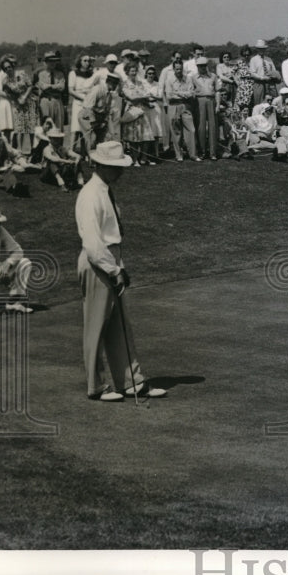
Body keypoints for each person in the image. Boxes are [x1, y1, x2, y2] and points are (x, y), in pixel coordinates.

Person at [75, 141, 167, 401]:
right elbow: (92, 243)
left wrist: (119, 267)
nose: (121, 171)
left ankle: (131, 382)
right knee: (97, 325)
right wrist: (113, 270)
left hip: (111, 259)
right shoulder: (90, 194)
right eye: (116, 167)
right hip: (97, 262)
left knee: (119, 325)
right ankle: (96, 386)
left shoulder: (104, 190)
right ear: (102, 165)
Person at [162, 59, 200, 162]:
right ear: (174, 69)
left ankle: (193, 154)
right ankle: (178, 155)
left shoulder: (188, 79)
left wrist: (178, 93)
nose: (179, 71)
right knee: (176, 131)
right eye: (177, 69)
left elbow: (192, 93)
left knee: (191, 129)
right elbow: (169, 96)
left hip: (186, 106)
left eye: (180, 69)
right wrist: (184, 94)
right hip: (173, 107)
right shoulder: (169, 80)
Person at [119, 62, 155, 166]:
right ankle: (135, 160)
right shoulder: (125, 84)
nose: (134, 73)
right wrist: (143, 97)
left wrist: (147, 102)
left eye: (135, 71)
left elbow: (144, 97)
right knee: (133, 138)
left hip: (141, 110)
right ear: (127, 72)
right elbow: (131, 98)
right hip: (132, 111)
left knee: (146, 136)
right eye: (132, 71)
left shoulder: (140, 83)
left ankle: (143, 158)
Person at [78, 72, 122, 152]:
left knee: (102, 138)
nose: (115, 86)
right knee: (92, 138)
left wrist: (104, 122)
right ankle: (91, 161)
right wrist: (94, 123)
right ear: (108, 82)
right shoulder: (98, 89)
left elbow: (106, 111)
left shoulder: (109, 94)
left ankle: (98, 160)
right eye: (114, 84)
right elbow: (88, 107)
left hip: (98, 117)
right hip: (86, 116)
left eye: (116, 84)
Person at [67, 54, 97, 156]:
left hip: (89, 104)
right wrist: (83, 98)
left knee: (86, 128)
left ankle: (85, 153)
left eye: (88, 61)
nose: (87, 63)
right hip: (78, 103)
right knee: (75, 129)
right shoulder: (73, 73)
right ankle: (71, 151)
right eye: (85, 61)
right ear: (79, 62)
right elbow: (70, 90)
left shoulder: (92, 74)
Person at [192, 57, 219, 160]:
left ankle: (213, 153)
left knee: (213, 126)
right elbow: (191, 91)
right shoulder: (193, 78)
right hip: (199, 101)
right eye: (200, 66)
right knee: (201, 127)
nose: (203, 68)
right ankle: (202, 151)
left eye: (204, 65)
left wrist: (217, 105)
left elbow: (218, 91)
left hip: (211, 100)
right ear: (197, 67)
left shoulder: (213, 76)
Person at [36, 50, 68, 131]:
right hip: (45, 102)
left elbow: (62, 87)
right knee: (46, 127)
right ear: (46, 62)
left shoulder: (60, 74)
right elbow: (43, 87)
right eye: (50, 61)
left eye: (54, 61)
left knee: (58, 128)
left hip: (57, 102)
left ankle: (58, 143)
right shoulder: (41, 74)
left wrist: (50, 86)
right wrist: (55, 86)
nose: (52, 63)